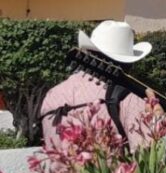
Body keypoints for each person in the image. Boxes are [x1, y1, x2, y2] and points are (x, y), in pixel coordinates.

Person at [41, 21, 152, 151]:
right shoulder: (129, 98)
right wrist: (156, 121)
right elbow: (147, 156)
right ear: (128, 63)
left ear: (87, 52)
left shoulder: (53, 94)